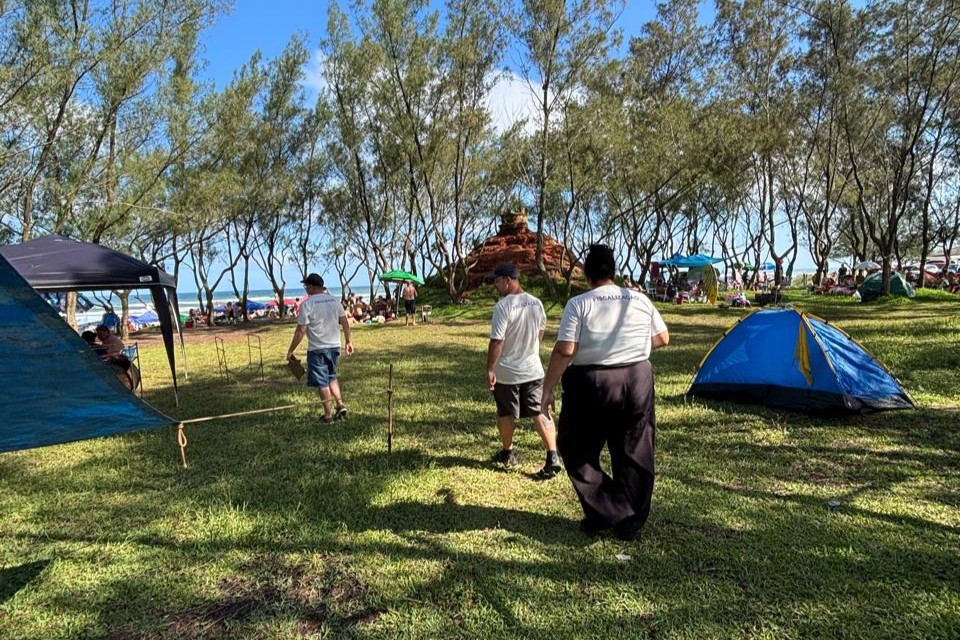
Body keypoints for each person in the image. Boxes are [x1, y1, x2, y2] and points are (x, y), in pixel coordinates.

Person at [542, 244, 670, 541]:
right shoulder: (639, 300)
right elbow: (663, 338)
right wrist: (629, 347)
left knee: (574, 446)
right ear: (613, 271)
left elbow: (565, 350)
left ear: (586, 274)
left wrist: (547, 389)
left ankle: (607, 510)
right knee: (635, 449)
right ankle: (631, 522)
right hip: (637, 378)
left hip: (591, 382)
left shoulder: (579, 304)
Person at [486, 262, 561, 478]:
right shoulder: (536, 303)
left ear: (508, 280)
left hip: (507, 372)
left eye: (497, 281)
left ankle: (508, 452)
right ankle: (552, 455)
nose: (495, 286)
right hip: (533, 369)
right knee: (540, 411)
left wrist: (490, 368)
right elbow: (540, 333)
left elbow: (497, 341)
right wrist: (529, 351)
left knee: (505, 412)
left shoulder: (503, 306)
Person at [287, 273, 354, 423]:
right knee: (332, 377)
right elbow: (345, 322)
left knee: (322, 382)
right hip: (334, 346)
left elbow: (301, 330)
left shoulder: (307, 304)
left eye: (306, 286)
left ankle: (328, 415)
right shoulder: (335, 301)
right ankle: (340, 404)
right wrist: (348, 341)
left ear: (311, 286)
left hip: (317, 348)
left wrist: (291, 350)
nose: (305, 288)